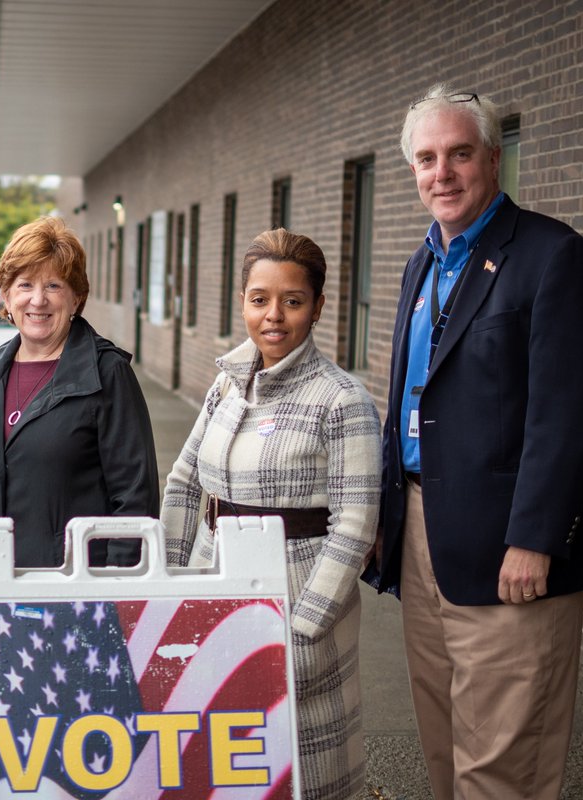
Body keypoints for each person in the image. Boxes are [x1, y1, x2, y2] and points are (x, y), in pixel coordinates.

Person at [374, 84, 583, 799]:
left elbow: (568, 413)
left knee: (503, 764)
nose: (441, 173)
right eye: (426, 158)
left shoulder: (553, 257)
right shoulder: (421, 264)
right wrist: (390, 521)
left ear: (493, 157)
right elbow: (410, 404)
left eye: (458, 154)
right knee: (446, 744)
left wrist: (535, 537)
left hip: (512, 546)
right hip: (424, 536)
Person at [161, 228, 381, 799]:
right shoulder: (226, 386)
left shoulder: (342, 398)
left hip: (299, 597)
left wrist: (303, 628)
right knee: (223, 758)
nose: (274, 316)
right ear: (243, 302)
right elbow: (185, 483)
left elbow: (355, 525)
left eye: (293, 300)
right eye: (259, 299)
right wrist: (168, 588)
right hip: (216, 586)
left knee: (305, 767)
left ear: (318, 306)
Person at [0, 216, 158, 568]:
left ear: (77, 298)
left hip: (74, 590)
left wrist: (118, 592)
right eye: (25, 284)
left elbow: (136, 496)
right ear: (6, 296)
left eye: (54, 286)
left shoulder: (107, 374)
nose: (38, 300)